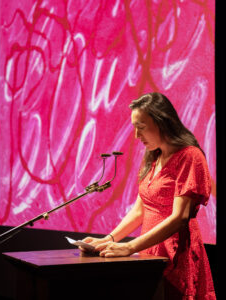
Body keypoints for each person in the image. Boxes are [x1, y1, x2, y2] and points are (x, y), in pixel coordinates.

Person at [80, 92, 216, 299]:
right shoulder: (154, 156)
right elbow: (139, 210)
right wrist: (109, 239)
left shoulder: (190, 156)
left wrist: (130, 247)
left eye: (141, 127)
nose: (136, 135)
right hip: (149, 250)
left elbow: (180, 217)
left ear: (163, 122)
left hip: (176, 253)